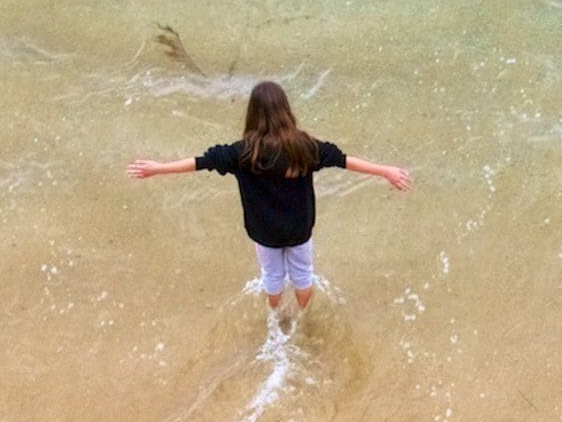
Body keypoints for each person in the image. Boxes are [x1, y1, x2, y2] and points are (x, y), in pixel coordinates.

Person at [127, 79, 410, 320]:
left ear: (252, 114)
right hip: (299, 228)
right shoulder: (304, 147)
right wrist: (384, 171)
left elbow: (202, 162)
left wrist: (158, 169)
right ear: (286, 110)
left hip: (264, 231)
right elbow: (343, 160)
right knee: (303, 274)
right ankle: (303, 318)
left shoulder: (243, 152)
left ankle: (276, 320)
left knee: (272, 276)